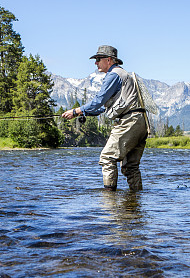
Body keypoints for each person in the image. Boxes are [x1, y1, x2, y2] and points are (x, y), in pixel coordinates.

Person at [62, 45, 148, 191]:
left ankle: (109, 199)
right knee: (130, 166)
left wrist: (77, 111)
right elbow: (104, 107)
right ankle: (135, 203)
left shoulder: (114, 74)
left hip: (129, 121)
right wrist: (84, 113)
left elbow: (99, 100)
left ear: (109, 60)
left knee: (107, 157)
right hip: (141, 122)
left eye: (98, 59)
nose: (95, 63)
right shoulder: (123, 75)